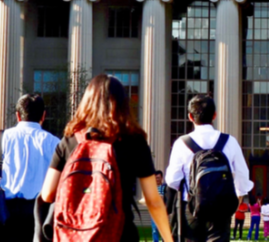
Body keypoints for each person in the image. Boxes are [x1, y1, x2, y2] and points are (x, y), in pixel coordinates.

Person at [38, 74, 173, 242]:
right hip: (119, 234)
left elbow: (48, 194)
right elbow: (153, 200)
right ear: (123, 104)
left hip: (74, 235)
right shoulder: (133, 141)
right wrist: (169, 239)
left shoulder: (70, 140)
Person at [0, 93, 59, 242]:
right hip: (40, 213)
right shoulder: (54, 143)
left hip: (4, 211)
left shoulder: (0, 139)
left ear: (18, 115)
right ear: (43, 116)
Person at [167, 95, 253, 242]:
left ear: (190, 117)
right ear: (214, 115)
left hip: (192, 208)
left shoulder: (181, 143)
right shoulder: (229, 141)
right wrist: (236, 201)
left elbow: (172, 180)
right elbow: (243, 177)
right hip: (221, 210)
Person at [152, 171, 168, 242]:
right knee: (155, 229)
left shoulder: (165, 187)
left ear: (161, 178)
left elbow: (167, 198)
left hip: (163, 211)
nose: (157, 180)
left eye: (158, 178)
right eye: (155, 178)